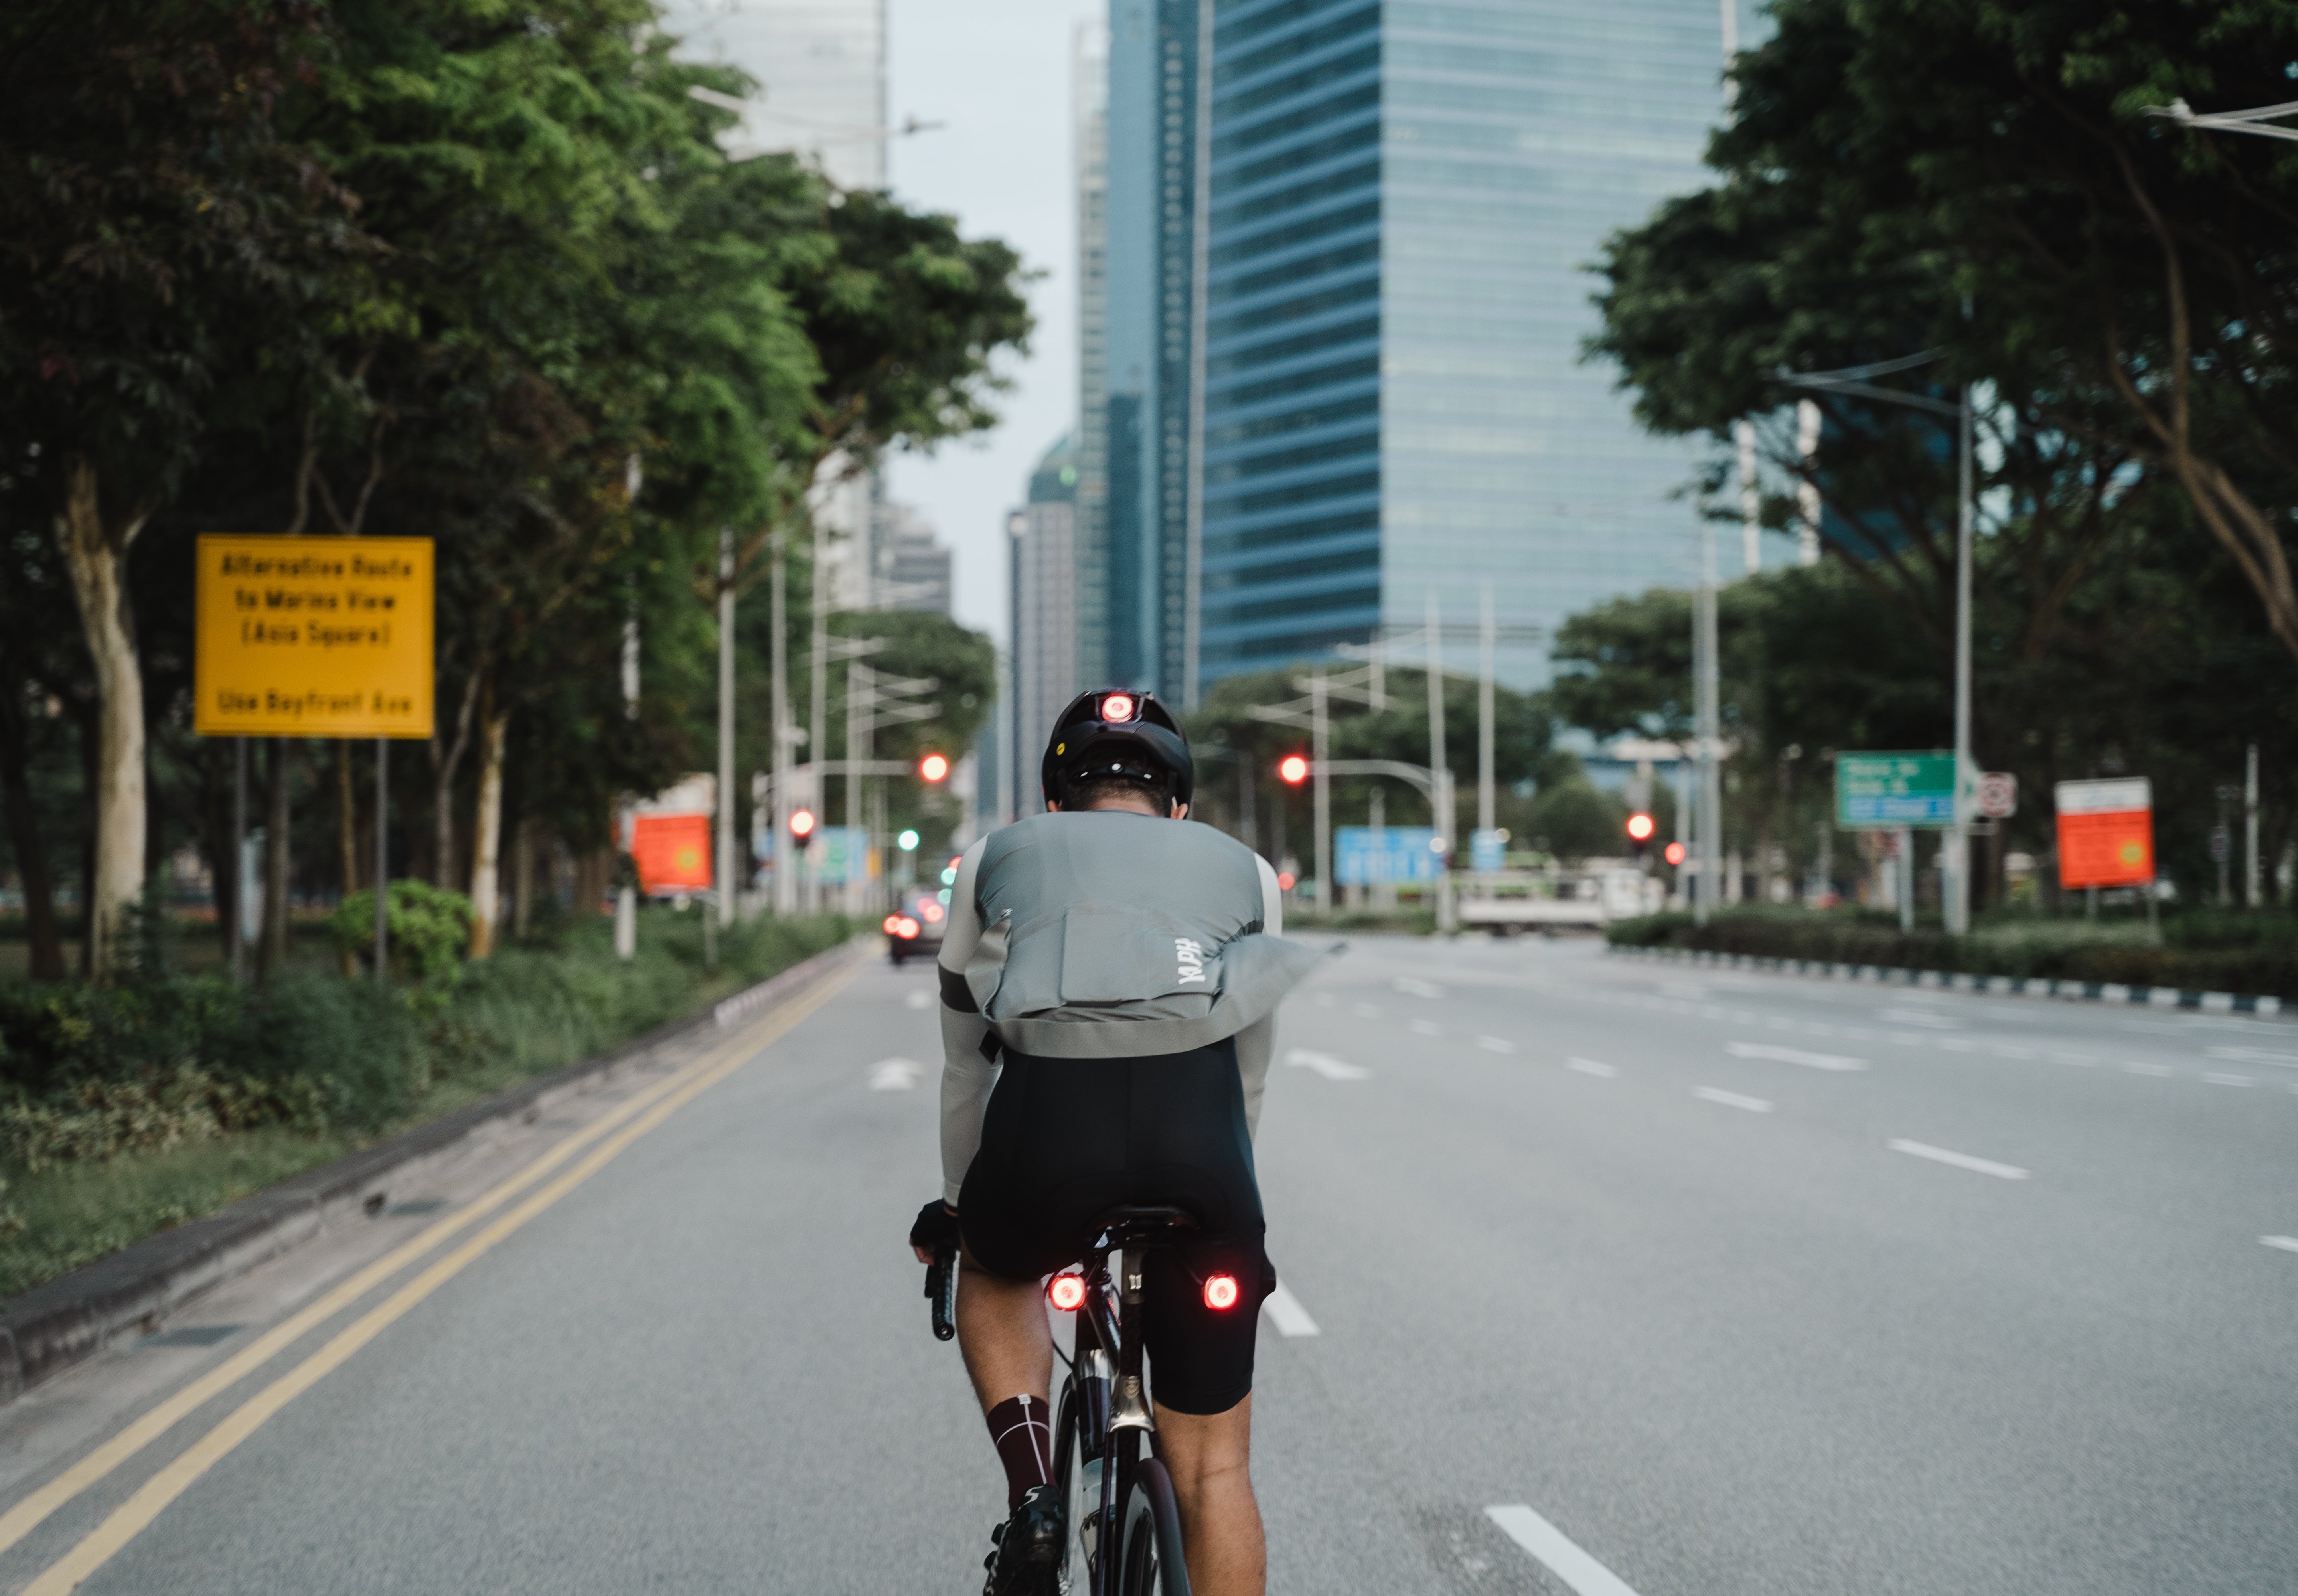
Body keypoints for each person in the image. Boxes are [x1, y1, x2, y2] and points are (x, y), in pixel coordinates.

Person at [908, 689, 1318, 1596]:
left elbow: (966, 1062)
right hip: (1202, 1150)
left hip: (1048, 1133)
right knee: (1215, 1473)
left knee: (993, 1263)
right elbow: (1251, 1065)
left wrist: (957, 1205)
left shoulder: (993, 855)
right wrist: (1223, 1198)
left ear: (1059, 797)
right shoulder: (1249, 870)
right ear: (1178, 804)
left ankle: (1032, 1499)